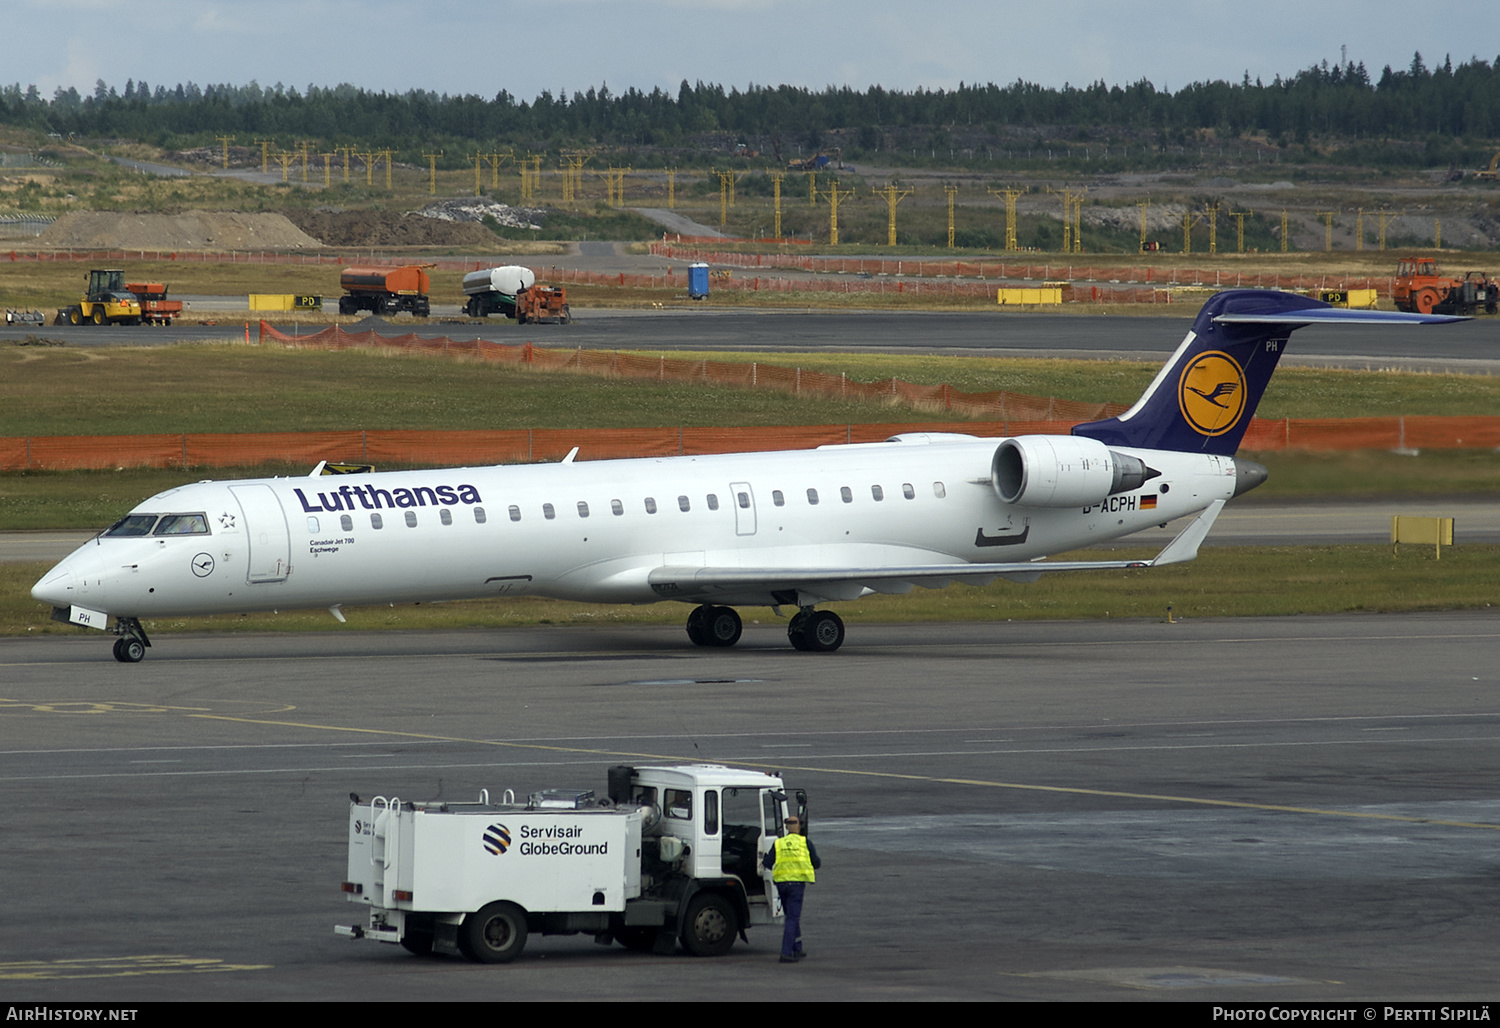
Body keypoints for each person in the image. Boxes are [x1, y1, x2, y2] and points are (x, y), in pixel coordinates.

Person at [763, 814, 820, 963]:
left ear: (787, 828)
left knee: (792, 917)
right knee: (792, 918)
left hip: (782, 885)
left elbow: (767, 863)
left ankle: (797, 947)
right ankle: (786, 952)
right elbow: (817, 863)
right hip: (796, 886)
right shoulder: (805, 843)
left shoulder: (779, 843)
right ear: (799, 827)